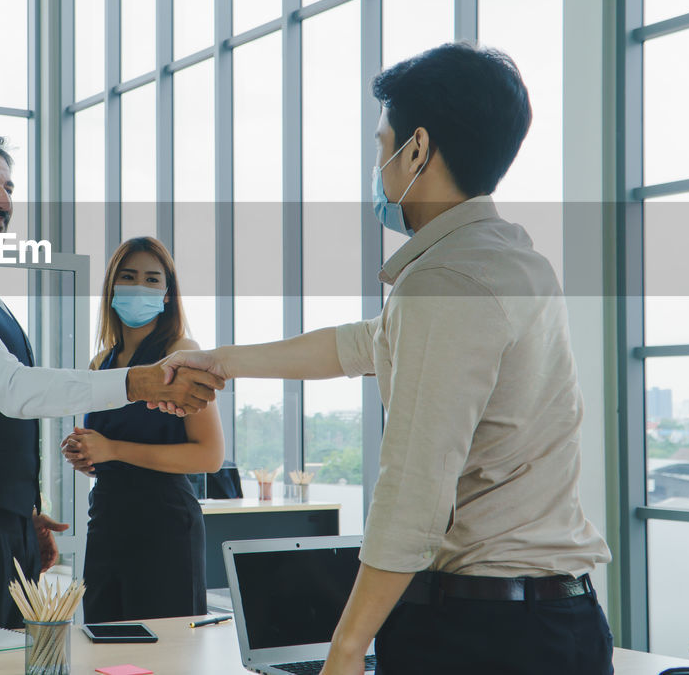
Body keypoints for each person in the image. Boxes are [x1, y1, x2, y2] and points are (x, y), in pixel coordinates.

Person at [161, 44, 613, 675]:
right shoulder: (508, 261)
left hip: (483, 633)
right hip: (549, 620)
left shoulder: (446, 283)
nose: (378, 164)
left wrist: (345, 650)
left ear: (418, 149)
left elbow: (413, 491)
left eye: (383, 144)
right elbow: (362, 344)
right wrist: (222, 361)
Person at [0, 136, 223, 630]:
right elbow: (14, 390)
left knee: (3, 658)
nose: (0, 201)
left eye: (6, 187)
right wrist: (137, 384)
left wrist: (22, 512)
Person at [60, 237, 224, 623]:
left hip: (164, 524)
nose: (139, 287)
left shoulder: (184, 353)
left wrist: (113, 449)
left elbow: (209, 455)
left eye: (152, 280)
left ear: (167, 294)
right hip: (106, 519)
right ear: (111, 288)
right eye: (128, 276)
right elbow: (101, 445)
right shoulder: (100, 362)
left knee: (164, 655)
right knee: (106, 650)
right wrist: (84, 451)